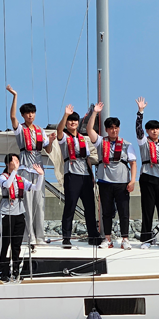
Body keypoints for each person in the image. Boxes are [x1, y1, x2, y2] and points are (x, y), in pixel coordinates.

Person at [6, 85, 55, 247]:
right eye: (27, 113)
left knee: (39, 203)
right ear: (23, 115)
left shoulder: (40, 130)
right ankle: (29, 236)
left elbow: (47, 149)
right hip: (24, 169)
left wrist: (52, 141)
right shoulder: (20, 129)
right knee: (26, 204)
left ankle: (40, 236)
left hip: (38, 169)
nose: (30, 115)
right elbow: (12, 117)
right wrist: (15, 95)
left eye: (32, 112)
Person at [85, 102, 137, 250]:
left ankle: (125, 239)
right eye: (111, 128)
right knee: (106, 211)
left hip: (122, 182)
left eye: (116, 127)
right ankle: (107, 238)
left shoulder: (127, 144)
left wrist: (132, 181)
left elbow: (133, 163)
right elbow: (89, 130)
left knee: (124, 211)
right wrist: (94, 113)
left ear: (119, 129)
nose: (114, 130)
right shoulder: (101, 142)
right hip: (105, 181)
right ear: (106, 129)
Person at [56, 104, 102, 249]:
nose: (73, 123)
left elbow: (87, 158)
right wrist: (65, 115)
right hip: (72, 174)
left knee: (90, 207)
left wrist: (91, 175)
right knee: (70, 206)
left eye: (75, 121)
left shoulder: (83, 138)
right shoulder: (64, 138)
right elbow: (58, 131)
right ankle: (66, 237)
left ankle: (93, 236)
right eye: (70, 121)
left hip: (85, 175)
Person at [135, 97, 159, 250]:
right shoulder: (144, 142)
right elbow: (138, 129)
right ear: (147, 131)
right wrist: (140, 112)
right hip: (147, 178)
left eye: (157, 129)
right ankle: (146, 239)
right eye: (151, 129)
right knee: (148, 209)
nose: (154, 131)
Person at [0, 154, 44, 281]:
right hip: (6, 214)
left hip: (19, 213)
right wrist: (15, 171)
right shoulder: (2, 177)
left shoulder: (20, 179)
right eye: (15, 161)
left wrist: (40, 175)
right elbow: (7, 185)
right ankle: (2, 271)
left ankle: (16, 271)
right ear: (8, 163)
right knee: (5, 244)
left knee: (16, 245)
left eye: (18, 161)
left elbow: (36, 188)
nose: (17, 162)